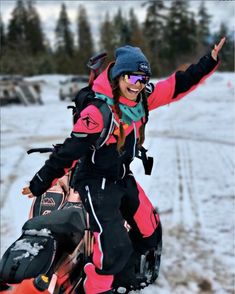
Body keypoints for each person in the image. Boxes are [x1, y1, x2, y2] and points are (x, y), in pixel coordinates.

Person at [22, 37, 225, 294]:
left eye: (143, 79)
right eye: (131, 78)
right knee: (113, 250)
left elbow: (177, 84)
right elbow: (70, 151)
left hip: (120, 176)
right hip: (95, 183)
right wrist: (40, 182)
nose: (137, 85)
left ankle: (129, 273)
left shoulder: (141, 101)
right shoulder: (97, 113)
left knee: (149, 230)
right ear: (118, 76)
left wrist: (210, 61)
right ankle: (93, 288)